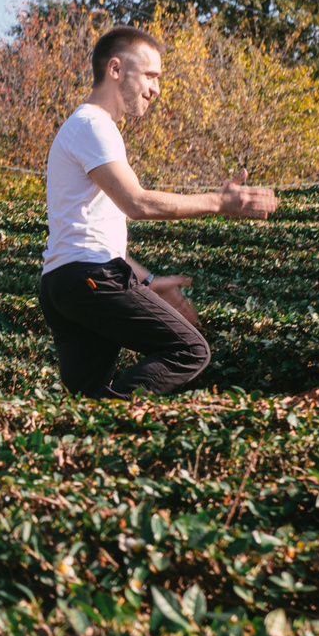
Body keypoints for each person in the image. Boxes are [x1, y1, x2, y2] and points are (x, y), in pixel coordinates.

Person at [37, 25, 280, 398]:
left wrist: (147, 281)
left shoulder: (85, 128)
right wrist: (218, 202)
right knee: (189, 350)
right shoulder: (93, 124)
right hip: (89, 279)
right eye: (150, 75)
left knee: (89, 397)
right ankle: (117, 417)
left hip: (64, 282)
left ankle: (98, 432)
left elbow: (90, 232)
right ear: (115, 70)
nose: (156, 89)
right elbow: (137, 202)